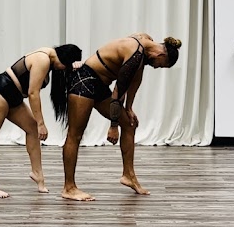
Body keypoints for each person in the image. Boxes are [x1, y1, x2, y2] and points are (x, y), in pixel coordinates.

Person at [61, 33, 182, 201]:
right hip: (84, 81)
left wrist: (129, 108)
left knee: (130, 124)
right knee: (75, 135)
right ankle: (69, 187)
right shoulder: (135, 54)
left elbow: (135, 80)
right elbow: (118, 92)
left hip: (99, 85)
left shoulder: (145, 43)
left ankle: (128, 175)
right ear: (160, 54)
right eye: (160, 65)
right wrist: (113, 125)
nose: (156, 68)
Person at [0, 43, 82, 198]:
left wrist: (76, 67)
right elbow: (33, 93)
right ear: (62, 59)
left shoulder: (50, 59)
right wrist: (41, 123)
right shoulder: (43, 59)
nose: (63, 69)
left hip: (13, 95)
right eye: (65, 66)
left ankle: (37, 173)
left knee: (32, 129)